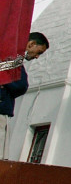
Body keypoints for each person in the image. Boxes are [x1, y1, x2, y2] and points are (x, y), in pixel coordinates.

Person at [0, 32, 48, 160]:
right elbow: (20, 85)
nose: (37, 56)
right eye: (39, 52)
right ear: (31, 44)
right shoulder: (12, 59)